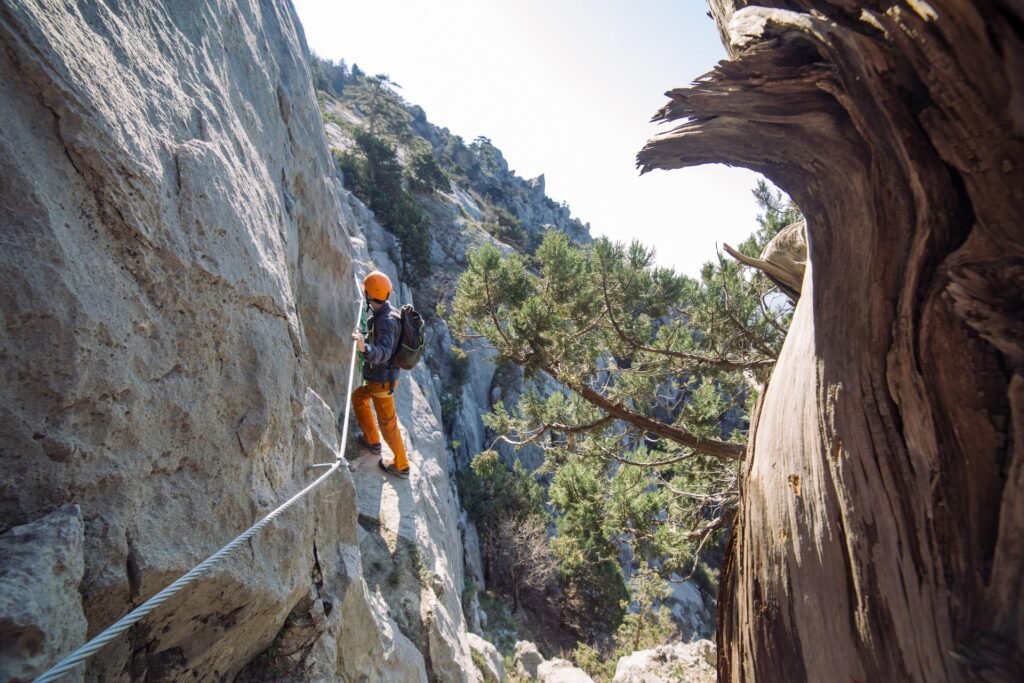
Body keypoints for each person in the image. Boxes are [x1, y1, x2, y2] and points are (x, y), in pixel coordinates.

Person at [351, 270, 410, 478]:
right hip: (380, 379)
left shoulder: (386, 320)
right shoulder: (385, 313)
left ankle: (401, 466)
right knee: (358, 398)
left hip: (382, 382)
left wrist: (364, 348)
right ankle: (372, 440)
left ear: (370, 295)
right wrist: (365, 338)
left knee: (389, 425)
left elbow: (384, 352)